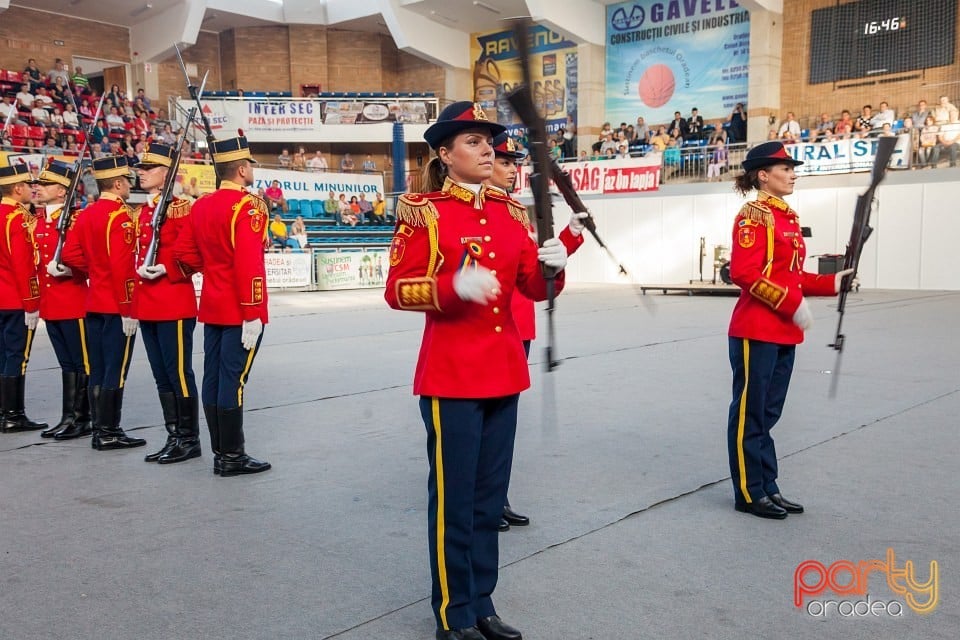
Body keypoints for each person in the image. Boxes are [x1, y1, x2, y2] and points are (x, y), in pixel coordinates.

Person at [385, 101, 569, 640]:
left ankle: (483, 603)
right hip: (451, 378)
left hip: (503, 374)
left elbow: (532, 289)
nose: (487, 148)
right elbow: (396, 290)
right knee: (454, 501)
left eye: (489, 139)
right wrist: (450, 287)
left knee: (489, 499)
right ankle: (453, 613)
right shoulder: (426, 211)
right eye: (472, 141)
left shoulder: (512, 214)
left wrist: (553, 266)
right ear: (444, 155)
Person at [726, 141, 853, 519]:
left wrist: (834, 283)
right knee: (749, 413)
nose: (793, 173)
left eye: (792, 168)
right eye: (785, 168)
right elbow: (744, 273)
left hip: (783, 331)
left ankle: (769, 486)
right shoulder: (754, 216)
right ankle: (748, 492)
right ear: (763, 175)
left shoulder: (786, 217)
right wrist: (790, 304)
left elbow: (792, 276)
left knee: (768, 413)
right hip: (756, 329)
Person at [485, 132, 586, 533]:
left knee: (503, 422)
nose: (512, 170)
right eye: (505, 162)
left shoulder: (515, 211)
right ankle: (486, 498)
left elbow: (537, 260)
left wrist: (571, 237)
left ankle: (497, 494)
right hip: (492, 319)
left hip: (518, 323)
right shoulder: (485, 210)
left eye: (515, 164)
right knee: (487, 419)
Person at [173, 135, 271, 477]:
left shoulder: (200, 206)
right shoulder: (248, 207)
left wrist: (212, 269)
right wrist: (253, 311)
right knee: (233, 381)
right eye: (251, 167)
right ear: (242, 170)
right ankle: (232, 456)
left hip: (212, 306)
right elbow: (248, 263)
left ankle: (220, 452)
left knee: (213, 378)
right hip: (239, 308)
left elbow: (184, 255)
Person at [55, 156, 145, 450]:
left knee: (98, 367)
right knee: (115, 370)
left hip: (94, 301)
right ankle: (109, 430)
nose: (129, 187)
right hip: (116, 305)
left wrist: (94, 270)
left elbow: (70, 255)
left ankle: (98, 429)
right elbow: (122, 268)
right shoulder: (120, 216)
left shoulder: (87, 214)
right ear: (118, 184)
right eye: (127, 182)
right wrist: (128, 307)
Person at [133, 143, 202, 465]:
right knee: (161, 375)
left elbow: (196, 254)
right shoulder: (143, 212)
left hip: (173, 302)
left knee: (178, 374)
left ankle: (189, 438)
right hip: (147, 303)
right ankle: (173, 434)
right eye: (140, 168)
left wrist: (169, 268)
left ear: (165, 174)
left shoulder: (182, 209)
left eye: (148, 168)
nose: (141, 172)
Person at [31, 162, 93, 440]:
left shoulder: (77, 219)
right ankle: (68, 417)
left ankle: (83, 418)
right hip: (52, 303)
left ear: (61, 191)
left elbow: (92, 258)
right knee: (67, 364)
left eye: (44, 185)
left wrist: (73, 269)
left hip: (73, 301)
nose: (38, 188)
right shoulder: (41, 220)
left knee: (82, 363)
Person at [0, 164, 47, 434]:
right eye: (29, 186)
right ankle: (13, 414)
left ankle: (3, 412)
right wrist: (32, 302)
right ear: (17, 188)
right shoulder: (18, 219)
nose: (33, 189)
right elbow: (23, 264)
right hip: (16, 299)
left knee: (2, 355)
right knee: (17, 356)